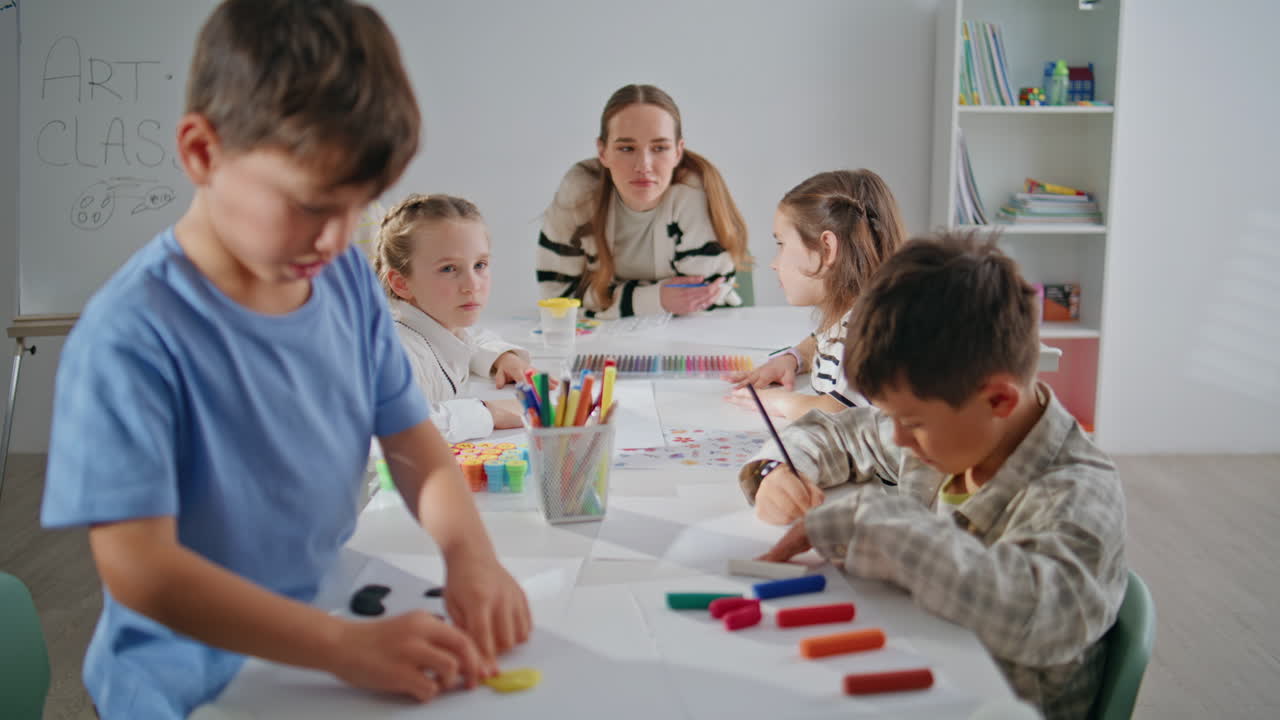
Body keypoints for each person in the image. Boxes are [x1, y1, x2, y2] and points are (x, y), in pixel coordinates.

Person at [40, 2, 529, 717]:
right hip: (193, 689)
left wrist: (471, 556)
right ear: (203, 153)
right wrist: (340, 648)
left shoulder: (345, 282)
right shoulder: (129, 338)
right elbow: (142, 572)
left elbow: (411, 441)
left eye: (358, 206)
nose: (334, 238)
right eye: (307, 204)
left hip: (329, 635)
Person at [742, 232, 1126, 718]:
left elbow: (1035, 616)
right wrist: (775, 471)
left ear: (998, 400)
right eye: (892, 416)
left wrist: (882, 527)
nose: (897, 438)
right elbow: (837, 434)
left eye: (914, 422)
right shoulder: (949, 428)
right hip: (913, 668)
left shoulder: (1079, 492)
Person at [536, 83, 749, 319]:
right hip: (607, 337)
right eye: (627, 148)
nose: (643, 166)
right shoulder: (580, 189)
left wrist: (610, 298)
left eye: (659, 148)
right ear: (603, 151)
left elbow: (701, 296)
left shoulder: (694, 192)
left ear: (678, 152)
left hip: (706, 328)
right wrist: (656, 298)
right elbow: (557, 296)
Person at [724, 169, 905, 419]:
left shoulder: (870, 332)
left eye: (781, 245)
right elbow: (820, 340)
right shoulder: (849, 318)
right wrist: (792, 359)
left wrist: (779, 403)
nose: (774, 263)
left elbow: (842, 412)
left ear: (827, 248)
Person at [374, 193, 550, 441]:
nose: (472, 285)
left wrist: (502, 357)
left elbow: (470, 338)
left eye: (480, 265)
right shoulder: (396, 351)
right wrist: (489, 413)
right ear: (401, 283)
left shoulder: (437, 322)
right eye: (448, 269)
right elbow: (392, 429)